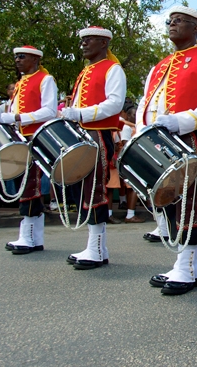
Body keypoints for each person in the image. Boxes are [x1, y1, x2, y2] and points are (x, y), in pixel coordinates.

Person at [139, 6, 197, 295]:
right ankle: (190, 266)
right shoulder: (159, 65)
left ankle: (185, 267)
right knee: (167, 202)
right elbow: (146, 102)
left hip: (188, 137)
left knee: (187, 202)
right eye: (170, 21)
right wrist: (144, 127)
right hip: (157, 138)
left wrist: (181, 120)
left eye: (179, 21)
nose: (172, 25)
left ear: (195, 28)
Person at [62, 26, 126, 270]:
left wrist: (81, 113)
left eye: (89, 40)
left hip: (98, 133)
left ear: (103, 43)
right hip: (82, 132)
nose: (84, 44)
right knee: (82, 187)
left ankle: (97, 249)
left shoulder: (113, 69)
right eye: (83, 40)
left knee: (94, 188)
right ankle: (95, 246)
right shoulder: (85, 71)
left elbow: (114, 104)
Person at [0, 45, 58, 254]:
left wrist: (17, 117)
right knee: (24, 183)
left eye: (22, 57)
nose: (17, 60)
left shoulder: (45, 79)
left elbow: (50, 110)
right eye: (16, 57)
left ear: (34, 59)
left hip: (35, 137)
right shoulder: (20, 82)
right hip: (21, 137)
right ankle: (31, 236)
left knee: (30, 184)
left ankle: (30, 237)